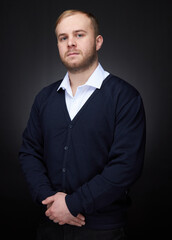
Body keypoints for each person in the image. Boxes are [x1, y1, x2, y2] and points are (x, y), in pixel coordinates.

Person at [19, 9, 146, 240]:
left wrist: (72, 204)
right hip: (50, 225)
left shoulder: (125, 97)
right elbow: (29, 153)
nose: (70, 43)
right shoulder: (44, 98)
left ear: (98, 42)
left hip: (103, 230)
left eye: (79, 35)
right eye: (63, 38)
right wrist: (50, 201)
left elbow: (126, 166)